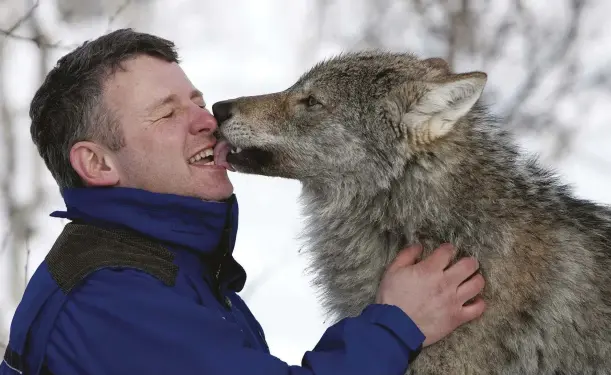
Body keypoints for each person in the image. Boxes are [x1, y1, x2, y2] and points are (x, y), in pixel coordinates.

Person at [0, 29, 486, 375]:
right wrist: (396, 326)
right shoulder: (111, 299)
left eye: (195, 99)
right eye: (167, 113)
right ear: (98, 164)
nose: (207, 119)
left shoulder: (165, 263)